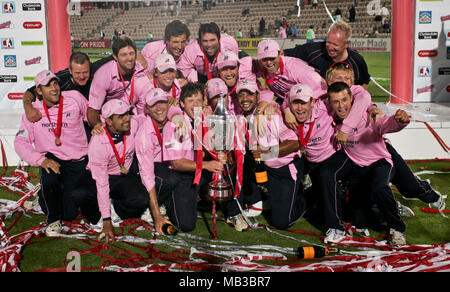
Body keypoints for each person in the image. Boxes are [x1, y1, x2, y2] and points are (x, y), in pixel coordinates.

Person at [14, 70, 100, 237]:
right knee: (50, 177)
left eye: (55, 83)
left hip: (78, 160)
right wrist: (41, 160)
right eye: (48, 85)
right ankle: (53, 220)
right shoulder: (33, 112)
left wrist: (97, 123)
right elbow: (20, 142)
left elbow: (90, 114)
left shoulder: (74, 97)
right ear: (38, 91)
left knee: (70, 213)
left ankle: (43, 196)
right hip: (52, 160)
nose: (54, 88)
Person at [287, 82, 374, 243]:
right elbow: (280, 101)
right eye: (295, 103)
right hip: (312, 162)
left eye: (304, 103)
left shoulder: (325, 107)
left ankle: (336, 228)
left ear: (312, 102)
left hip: (335, 156)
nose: (299, 108)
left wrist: (370, 110)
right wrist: (285, 110)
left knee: (328, 175)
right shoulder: (288, 112)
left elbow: (362, 95)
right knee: (326, 200)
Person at [327, 82, 410, 245]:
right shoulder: (332, 119)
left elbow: (384, 124)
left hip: (379, 163)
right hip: (358, 168)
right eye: (336, 101)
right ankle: (389, 206)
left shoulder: (366, 114)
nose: (341, 105)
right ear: (330, 103)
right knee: (360, 220)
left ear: (351, 99)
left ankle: (397, 228)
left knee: (380, 187)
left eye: (344, 100)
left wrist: (399, 122)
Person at [236, 80, 307, 230]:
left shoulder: (271, 115)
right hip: (265, 168)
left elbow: (294, 143)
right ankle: (259, 199)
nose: (245, 98)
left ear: (257, 96)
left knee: (281, 222)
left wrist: (266, 151)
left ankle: (307, 196)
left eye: (249, 94)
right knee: (241, 159)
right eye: (241, 95)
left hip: (284, 169)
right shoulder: (241, 118)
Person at [161, 82, 226, 231]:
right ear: (182, 104)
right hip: (181, 175)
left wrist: (220, 155)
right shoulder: (173, 125)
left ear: (204, 102)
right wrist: (207, 165)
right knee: (186, 225)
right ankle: (167, 201)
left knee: (227, 169)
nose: (195, 104)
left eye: (198, 100)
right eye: (190, 101)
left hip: (200, 170)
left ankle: (233, 211)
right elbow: (177, 163)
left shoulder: (207, 119)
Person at [87, 99, 149, 244]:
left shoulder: (132, 123)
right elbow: (102, 183)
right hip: (102, 177)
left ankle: (115, 207)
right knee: (82, 197)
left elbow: (153, 115)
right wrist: (107, 221)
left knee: (141, 199)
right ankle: (105, 210)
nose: (127, 118)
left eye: (127, 114)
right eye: (121, 116)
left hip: (122, 175)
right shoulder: (98, 143)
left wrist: (175, 115)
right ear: (108, 121)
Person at [22, 52, 113, 123]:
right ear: (70, 70)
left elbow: (117, 56)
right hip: (74, 123)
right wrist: (28, 108)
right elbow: (30, 92)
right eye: (77, 73)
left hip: (97, 119)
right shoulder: (60, 79)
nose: (81, 76)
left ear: (90, 67)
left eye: (85, 72)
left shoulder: (97, 69)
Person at [135, 88, 178, 234]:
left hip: (169, 164)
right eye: (154, 105)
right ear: (147, 109)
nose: (159, 108)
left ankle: (165, 202)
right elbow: (147, 175)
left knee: (183, 222)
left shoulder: (174, 116)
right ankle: (151, 207)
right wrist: (157, 217)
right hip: (153, 168)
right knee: (171, 178)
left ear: (168, 104)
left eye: (162, 103)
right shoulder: (144, 135)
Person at [283, 20, 371, 88]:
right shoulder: (314, 49)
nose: (330, 47)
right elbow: (285, 53)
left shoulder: (357, 60)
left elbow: (364, 81)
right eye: (328, 42)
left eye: (335, 44)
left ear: (346, 44)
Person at [87, 36, 147, 133]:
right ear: (115, 57)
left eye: (131, 53)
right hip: (111, 119)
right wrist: (99, 126)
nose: (129, 58)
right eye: (124, 55)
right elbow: (93, 111)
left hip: (133, 114)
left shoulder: (141, 68)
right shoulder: (103, 75)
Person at [255, 39, 327, 104]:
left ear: (279, 54)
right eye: (264, 59)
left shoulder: (296, 68)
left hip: (308, 101)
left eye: (272, 58)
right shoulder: (261, 66)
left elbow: (320, 89)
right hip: (286, 100)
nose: (268, 62)